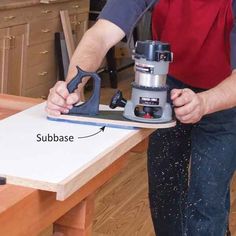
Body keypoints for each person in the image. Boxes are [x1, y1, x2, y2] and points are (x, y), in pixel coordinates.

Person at [46, 0, 236, 235]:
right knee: (164, 189)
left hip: (224, 95)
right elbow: (101, 34)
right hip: (168, 84)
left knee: (208, 196)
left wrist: (205, 102)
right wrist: (73, 86)